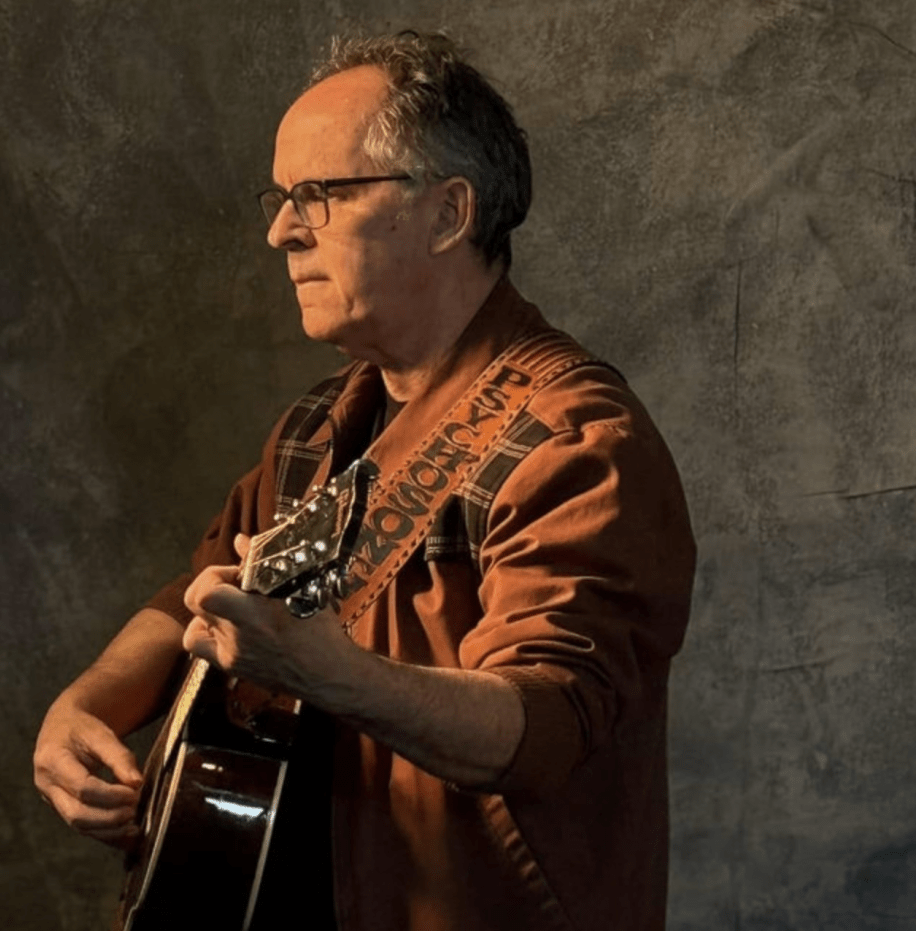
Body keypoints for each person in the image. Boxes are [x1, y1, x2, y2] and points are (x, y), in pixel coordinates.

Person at [34, 31, 696, 931]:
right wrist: (83, 705)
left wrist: (331, 674)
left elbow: (543, 725)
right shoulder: (316, 423)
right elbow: (198, 587)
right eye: (280, 198)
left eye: (319, 194)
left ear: (447, 213)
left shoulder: (573, 439)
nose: (280, 231)